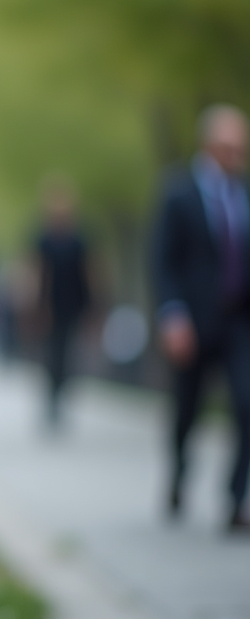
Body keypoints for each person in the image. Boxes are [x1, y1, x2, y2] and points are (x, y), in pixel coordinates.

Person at [152, 104, 250, 531]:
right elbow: (163, 261)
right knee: (187, 410)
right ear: (209, 145)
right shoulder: (179, 194)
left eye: (241, 147)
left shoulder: (243, 194)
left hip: (238, 322)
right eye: (229, 146)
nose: (236, 155)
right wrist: (173, 315)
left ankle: (235, 500)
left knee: (246, 405)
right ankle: (178, 473)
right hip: (193, 321)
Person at [32, 179, 91, 429]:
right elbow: (37, 272)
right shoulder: (43, 238)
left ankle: (61, 393)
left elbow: (90, 271)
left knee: (68, 352)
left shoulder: (79, 238)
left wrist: (93, 304)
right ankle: (51, 397)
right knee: (52, 352)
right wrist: (38, 304)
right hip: (49, 305)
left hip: (73, 302)